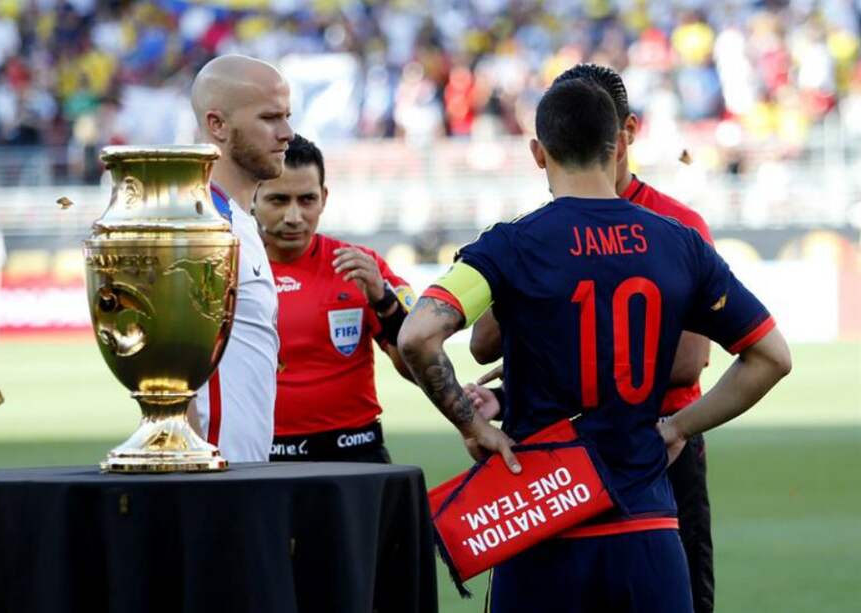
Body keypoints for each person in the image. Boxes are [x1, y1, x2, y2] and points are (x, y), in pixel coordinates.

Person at [398, 78, 791, 612]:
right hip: (646, 525)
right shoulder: (679, 241)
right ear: (618, 145)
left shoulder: (512, 244)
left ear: (538, 153)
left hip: (543, 518)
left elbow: (418, 334)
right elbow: (771, 357)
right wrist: (678, 426)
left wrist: (473, 424)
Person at [467, 63, 719, 613]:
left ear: (625, 132)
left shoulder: (677, 226)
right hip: (558, 456)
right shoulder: (540, 232)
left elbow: (687, 363)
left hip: (659, 447)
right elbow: (483, 344)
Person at [252, 134, 416, 462]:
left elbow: (417, 369)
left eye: (307, 200)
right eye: (279, 200)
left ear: (324, 198)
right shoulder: (232, 270)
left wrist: (384, 302)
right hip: (262, 460)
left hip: (355, 455)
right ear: (253, 197)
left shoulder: (362, 266)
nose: (294, 216)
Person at [187, 54, 294, 462]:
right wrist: (191, 472)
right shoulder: (203, 226)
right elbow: (171, 379)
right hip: (213, 478)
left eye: (287, 117)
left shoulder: (239, 222)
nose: (287, 133)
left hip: (243, 475)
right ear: (217, 125)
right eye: (269, 118)